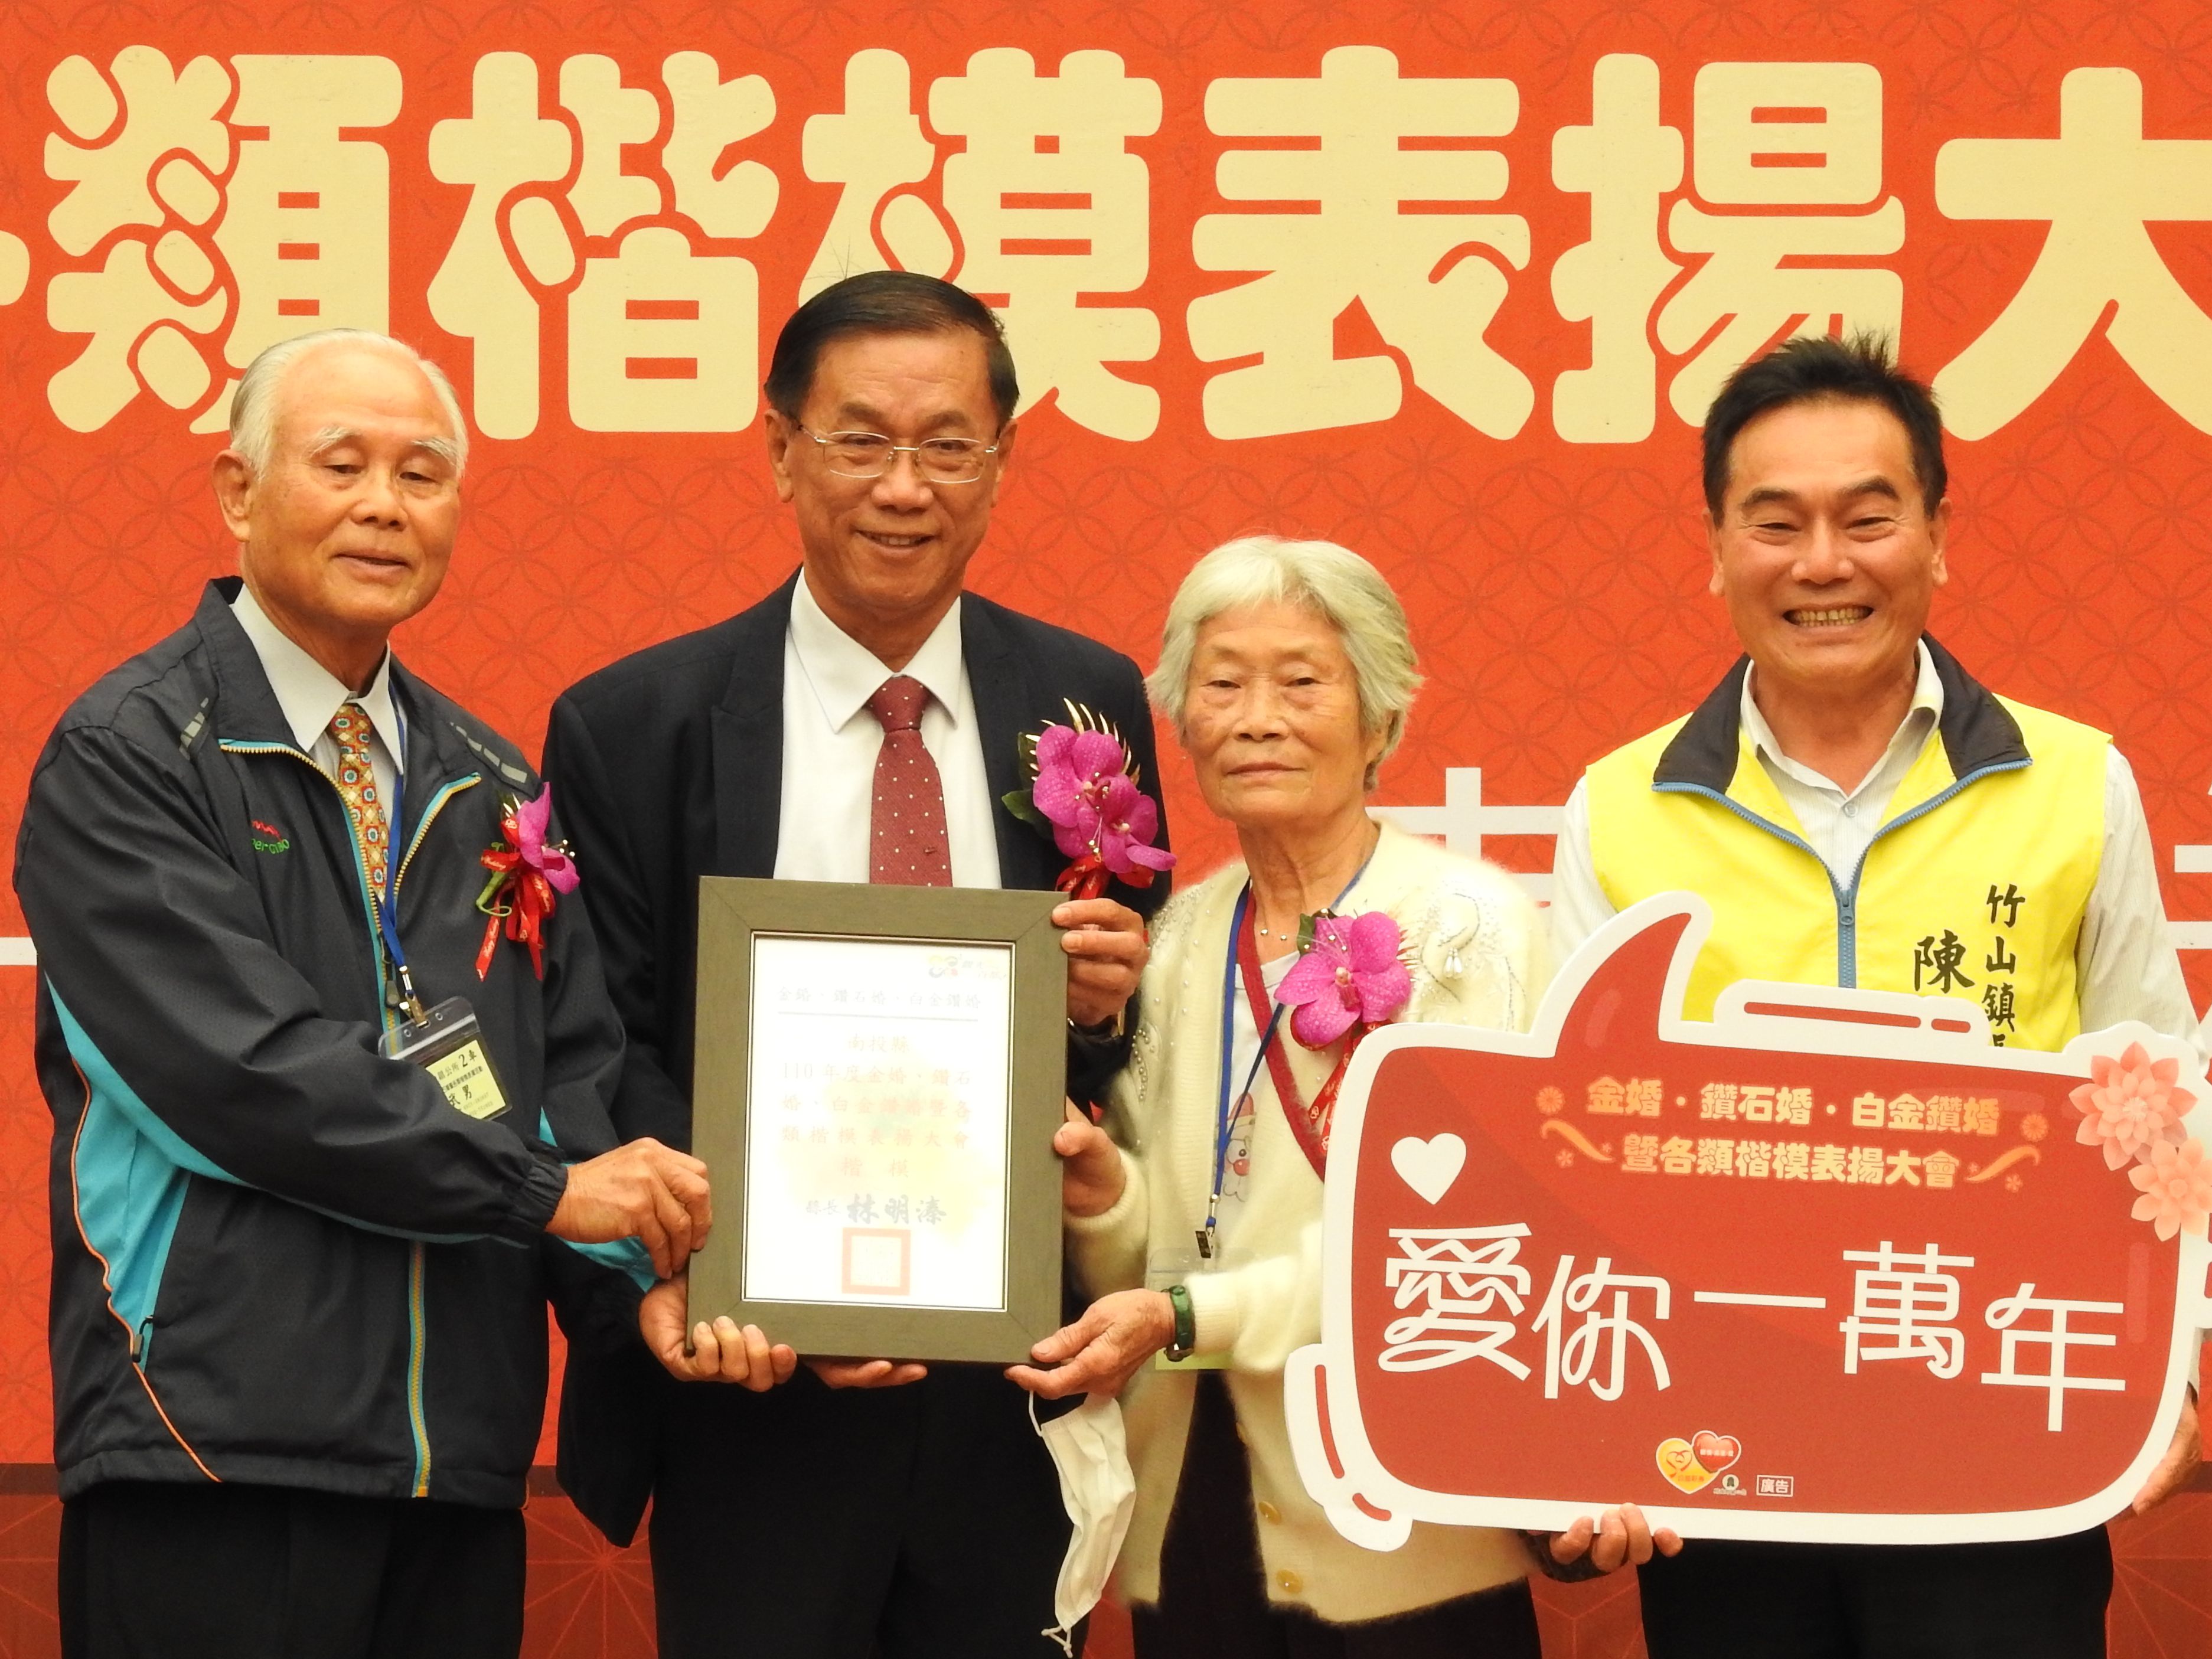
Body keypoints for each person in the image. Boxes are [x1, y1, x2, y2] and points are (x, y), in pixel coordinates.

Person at [14, 328, 709, 1659]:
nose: (386, 505)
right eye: (342, 465)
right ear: (237, 490)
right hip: (212, 1448)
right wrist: (542, 1195)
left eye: (425, 474)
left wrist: (639, 1285)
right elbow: (245, 1075)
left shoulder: (494, 784)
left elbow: (566, 1087)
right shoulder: (133, 753)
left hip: (454, 1462)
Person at [1551, 332, 2204, 1658]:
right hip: (1721, 1445)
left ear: (1937, 533)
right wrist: (1585, 1421)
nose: (1822, 564)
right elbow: (1576, 1143)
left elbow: (2159, 1091)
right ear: (1717, 546)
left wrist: (2184, 1355)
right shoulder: (1616, 807)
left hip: (2005, 1425)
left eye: (1867, 517)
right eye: (1774, 522)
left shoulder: (2076, 783)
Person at [544, 271, 1167, 1658]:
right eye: (859, 440)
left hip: (1013, 1377)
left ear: (1001, 466)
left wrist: (1109, 1003)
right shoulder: (634, 723)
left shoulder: (1086, 698)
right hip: (757, 1382)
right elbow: (602, 1044)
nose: (906, 486)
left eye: (949, 445)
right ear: (779, 451)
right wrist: (749, 1268)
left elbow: (1116, 1049)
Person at [1012, 535, 1678, 1657]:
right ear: (1181, 720)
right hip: (1195, 1509)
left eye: (1302, 681)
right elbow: (1147, 1254)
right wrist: (1102, 1191)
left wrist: (1190, 1316)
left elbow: (1468, 1248)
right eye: (1221, 684)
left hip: (1405, 1515)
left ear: (1381, 720)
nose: (1257, 716)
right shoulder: (1172, 939)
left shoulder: (1473, 928)